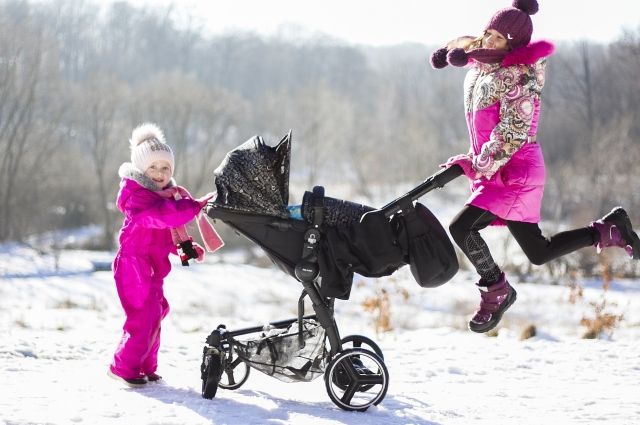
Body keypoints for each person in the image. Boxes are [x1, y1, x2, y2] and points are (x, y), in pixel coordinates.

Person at [429, 0, 640, 333]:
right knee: (539, 253)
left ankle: (496, 290)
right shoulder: (484, 68)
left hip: (515, 171)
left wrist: (476, 163)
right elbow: (468, 46)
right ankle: (608, 230)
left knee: (461, 228)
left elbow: (511, 132)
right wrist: (455, 48)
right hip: (497, 169)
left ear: (513, 44)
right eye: (489, 33)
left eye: (499, 38)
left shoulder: (519, 77)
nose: (490, 41)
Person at [109, 123, 222, 386]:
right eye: (153, 167)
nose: (160, 173)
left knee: (158, 310)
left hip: (152, 266)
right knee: (143, 315)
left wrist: (186, 249)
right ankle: (123, 366)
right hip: (133, 266)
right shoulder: (136, 197)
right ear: (140, 170)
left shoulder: (163, 197)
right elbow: (157, 219)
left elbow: (166, 233)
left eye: (165, 168)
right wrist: (192, 206)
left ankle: (145, 366)